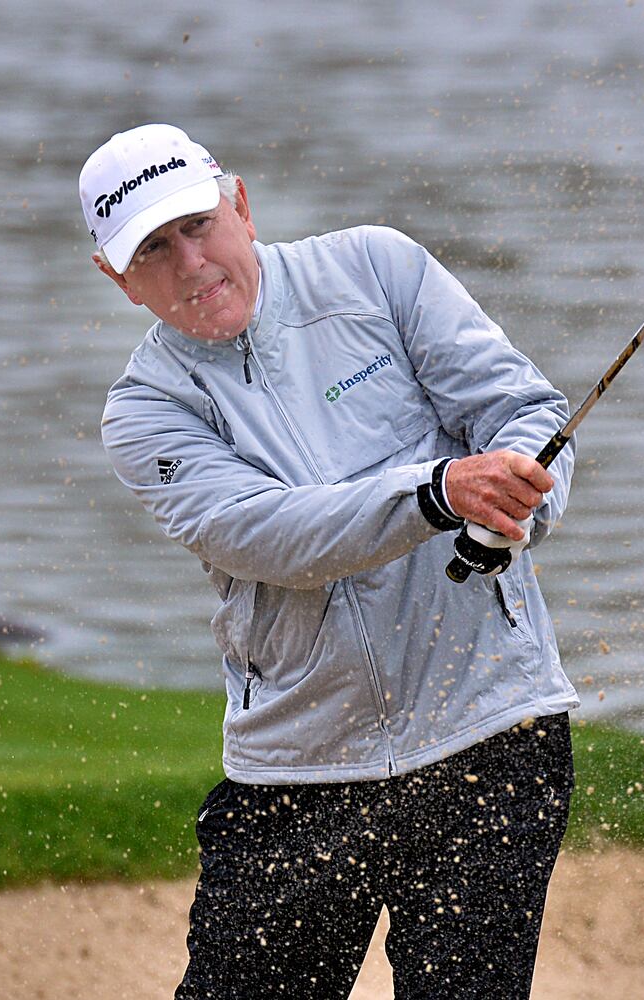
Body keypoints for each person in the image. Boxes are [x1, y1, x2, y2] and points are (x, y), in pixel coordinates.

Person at [82, 123, 580, 999]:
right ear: (117, 277)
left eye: (198, 226)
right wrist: (440, 494)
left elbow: (526, 414)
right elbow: (269, 535)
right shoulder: (145, 411)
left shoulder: (376, 269)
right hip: (300, 771)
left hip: (490, 733)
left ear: (240, 204)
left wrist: (519, 506)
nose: (191, 264)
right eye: (153, 250)